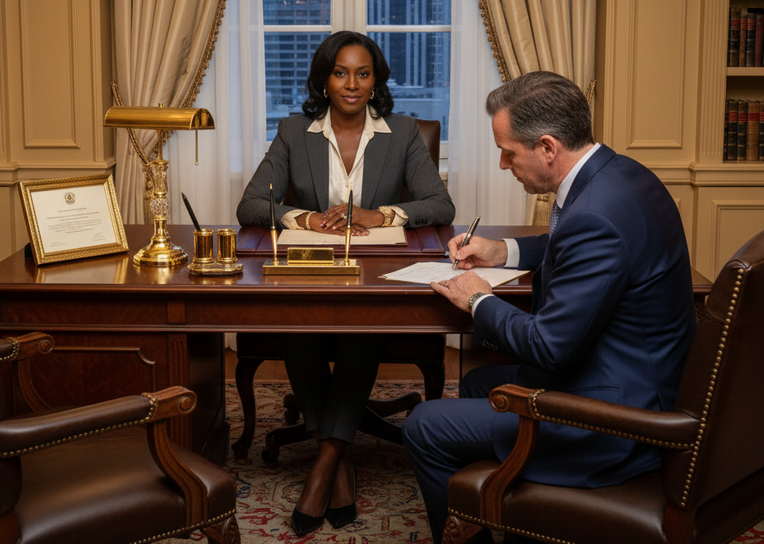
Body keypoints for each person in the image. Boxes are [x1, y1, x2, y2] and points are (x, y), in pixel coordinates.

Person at [402, 71, 696, 544]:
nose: (503, 164)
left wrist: (478, 299)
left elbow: (549, 347)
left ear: (547, 147)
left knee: (423, 426)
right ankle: (517, 513)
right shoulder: (620, 175)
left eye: (508, 152)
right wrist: (502, 251)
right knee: (479, 382)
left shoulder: (595, 217)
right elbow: (572, 244)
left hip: (616, 423)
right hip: (646, 377)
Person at [236, 31, 455, 536]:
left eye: (363, 73)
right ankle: (337, 465)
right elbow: (250, 204)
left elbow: (440, 205)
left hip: (375, 273)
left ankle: (324, 465)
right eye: (340, 73)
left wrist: (380, 214)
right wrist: (307, 219)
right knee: (296, 320)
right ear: (324, 80)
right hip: (311, 268)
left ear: (376, 81)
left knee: (364, 321)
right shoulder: (295, 131)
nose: (351, 84)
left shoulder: (402, 132)